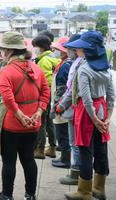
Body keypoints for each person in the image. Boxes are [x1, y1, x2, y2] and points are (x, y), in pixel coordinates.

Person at [0, 32, 50, 200]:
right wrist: (38, 112)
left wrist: (19, 114)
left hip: (12, 124)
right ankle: (30, 195)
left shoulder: (7, 70)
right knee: (29, 160)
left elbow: (7, 97)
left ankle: (7, 195)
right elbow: (45, 92)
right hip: (33, 123)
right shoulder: (36, 68)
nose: (1, 53)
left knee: (9, 162)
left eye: (2, 50)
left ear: (9, 51)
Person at [63, 31, 115, 200]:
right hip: (101, 111)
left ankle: (84, 191)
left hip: (87, 114)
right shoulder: (106, 68)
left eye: (80, 48)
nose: (77, 50)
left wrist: (95, 119)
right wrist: (106, 119)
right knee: (101, 150)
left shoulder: (84, 69)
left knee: (85, 150)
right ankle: (99, 189)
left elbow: (85, 99)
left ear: (87, 50)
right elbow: (111, 95)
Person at [55, 34, 83, 185]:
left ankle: (76, 172)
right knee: (76, 142)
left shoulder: (79, 64)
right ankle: (79, 172)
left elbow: (72, 89)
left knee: (76, 142)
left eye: (70, 48)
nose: (68, 51)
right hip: (77, 106)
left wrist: (60, 104)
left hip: (77, 106)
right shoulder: (77, 62)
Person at [32, 35, 60, 159]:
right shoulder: (54, 57)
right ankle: (52, 148)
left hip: (44, 94)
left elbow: (42, 81)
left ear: (41, 47)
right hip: (53, 94)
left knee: (41, 122)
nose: (34, 49)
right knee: (50, 121)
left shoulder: (43, 61)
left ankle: (40, 149)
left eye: (35, 46)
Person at [49, 36, 72, 169]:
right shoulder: (63, 63)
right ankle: (64, 157)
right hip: (61, 104)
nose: (55, 51)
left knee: (62, 132)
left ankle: (65, 160)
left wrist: (57, 106)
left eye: (57, 49)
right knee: (62, 132)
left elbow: (61, 89)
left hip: (61, 106)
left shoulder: (64, 66)